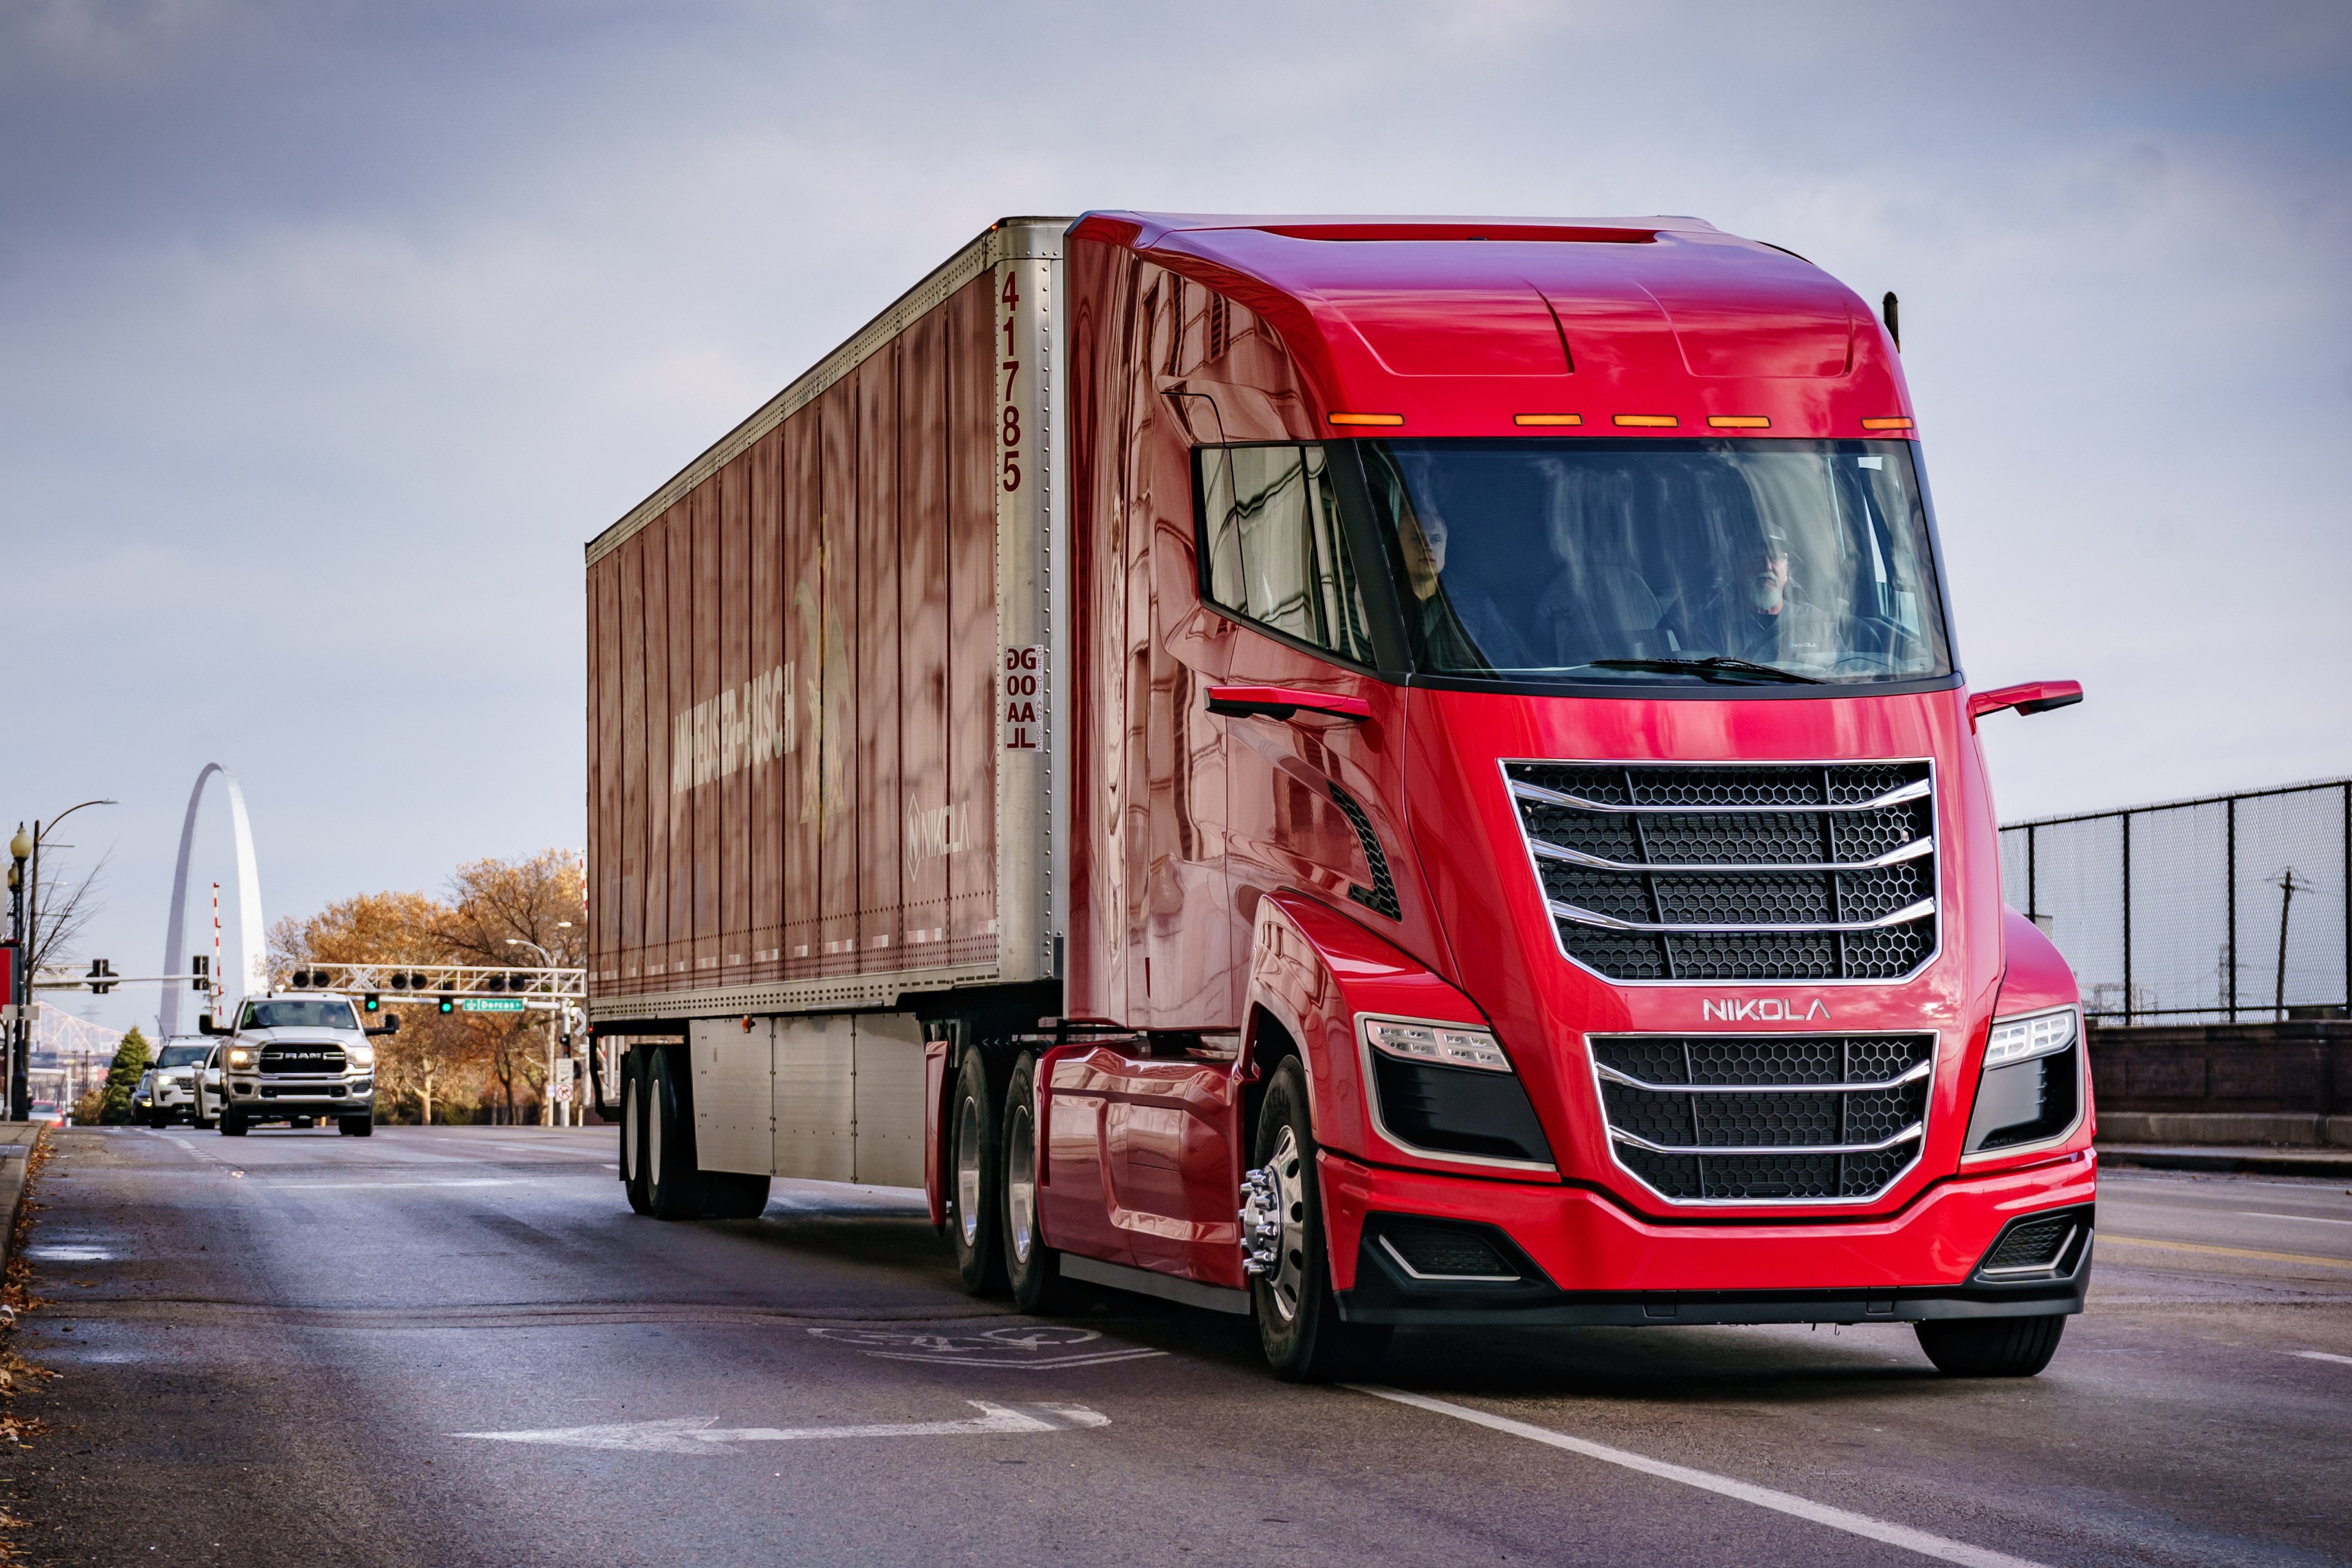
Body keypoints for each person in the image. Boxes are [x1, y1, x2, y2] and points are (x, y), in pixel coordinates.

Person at [1696, 527, 1836, 666]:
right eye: (1755, 557)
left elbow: (1841, 672)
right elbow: (1709, 684)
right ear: (1735, 569)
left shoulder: (1818, 623)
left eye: (1776, 557)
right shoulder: (1711, 627)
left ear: (1787, 570)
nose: (1767, 566)